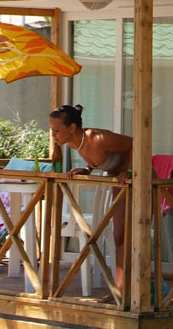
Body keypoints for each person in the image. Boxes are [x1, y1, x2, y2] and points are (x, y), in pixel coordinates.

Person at [48, 104, 133, 302]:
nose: (54, 136)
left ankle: (128, 291)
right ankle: (119, 290)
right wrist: (87, 169)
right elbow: (102, 159)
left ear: (72, 128)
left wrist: (129, 172)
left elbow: (135, 144)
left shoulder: (96, 138)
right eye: (52, 131)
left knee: (128, 236)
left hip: (135, 179)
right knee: (119, 236)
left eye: (57, 130)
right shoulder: (72, 143)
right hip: (118, 180)